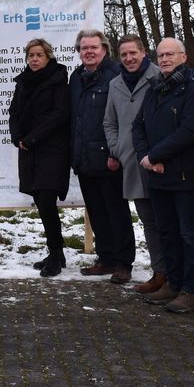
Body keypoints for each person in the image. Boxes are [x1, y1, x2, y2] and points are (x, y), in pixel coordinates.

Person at [132, 37, 194, 313]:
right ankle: (173, 284)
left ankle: (191, 290)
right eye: (161, 55)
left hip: (185, 177)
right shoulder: (155, 89)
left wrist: (156, 156)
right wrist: (146, 158)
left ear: (183, 57)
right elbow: (137, 126)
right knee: (166, 232)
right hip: (157, 175)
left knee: (188, 234)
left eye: (170, 55)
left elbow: (190, 132)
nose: (164, 59)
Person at [103, 34, 166, 293]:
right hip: (131, 163)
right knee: (149, 222)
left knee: (167, 222)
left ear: (143, 52)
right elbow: (110, 122)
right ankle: (160, 273)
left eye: (133, 53)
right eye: (124, 54)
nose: (129, 58)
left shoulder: (159, 77)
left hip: (160, 162)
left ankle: (176, 275)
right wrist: (118, 148)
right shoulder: (115, 83)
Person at [68, 29, 132, 283]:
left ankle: (123, 263)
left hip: (110, 159)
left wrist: (116, 152)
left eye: (94, 47)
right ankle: (105, 258)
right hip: (84, 158)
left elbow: (124, 119)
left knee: (117, 212)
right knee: (96, 212)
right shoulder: (76, 77)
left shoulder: (116, 75)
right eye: (84, 48)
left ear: (104, 49)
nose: (89, 52)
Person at [9, 38, 71, 277]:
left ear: (48, 57)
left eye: (39, 55)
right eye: (31, 55)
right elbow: (14, 112)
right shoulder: (23, 82)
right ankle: (56, 253)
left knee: (47, 200)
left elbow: (59, 116)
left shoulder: (58, 81)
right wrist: (17, 138)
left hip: (51, 150)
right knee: (40, 201)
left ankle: (56, 253)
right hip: (28, 150)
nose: (34, 59)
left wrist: (31, 138)